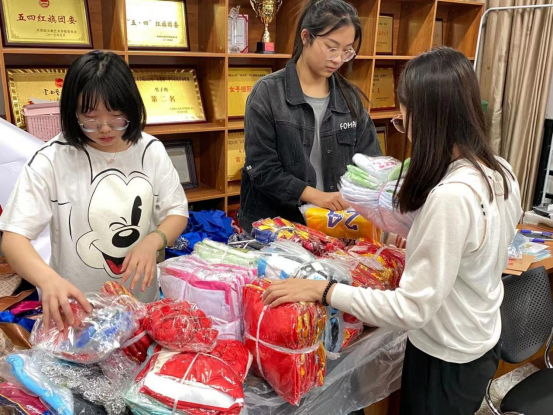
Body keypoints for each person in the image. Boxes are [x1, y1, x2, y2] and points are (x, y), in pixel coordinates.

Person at [262, 47, 523, 415]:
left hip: (445, 357)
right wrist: (420, 231)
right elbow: (483, 244)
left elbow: (410, 309)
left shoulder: (451, 197)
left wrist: (325, 290)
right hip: (479, 338)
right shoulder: (499, 170)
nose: (406, 129)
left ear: (427, 119)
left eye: (404, 118)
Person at [0, 51, 189, 330]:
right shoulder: (52, 159)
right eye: (90, 119)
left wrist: (153, 241)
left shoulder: (150, 150)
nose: (104, 129)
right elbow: (13, 238)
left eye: (117, 117)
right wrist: (47, 279)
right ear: (72, 112)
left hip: (139, 305)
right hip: (78, 311)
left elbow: (176, 212)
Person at [238, 0, 381, 233]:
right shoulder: (268, 92)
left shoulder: (350, 98)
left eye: (346, 51)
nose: (338, 59)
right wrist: (318, 197)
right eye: (331, 48)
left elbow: (370, 162)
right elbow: (262, 168)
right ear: (306, 37)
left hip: (334, 226)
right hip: (276, 227)